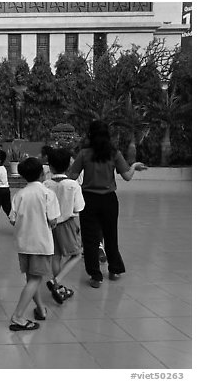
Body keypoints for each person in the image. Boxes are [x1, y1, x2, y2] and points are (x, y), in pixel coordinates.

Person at [68, 121, 147, 288]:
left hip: (88, 200)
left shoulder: (84, 154)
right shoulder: (114, 154)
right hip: (109, 200)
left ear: (90, 135)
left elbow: (72, 177)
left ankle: (96, 276)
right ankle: (114, 269)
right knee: (111, 235)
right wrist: (133, 166)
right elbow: (127, 176)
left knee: (90, 239)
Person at [8, 157, 60, 331]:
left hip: (23, 244)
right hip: (41, 243)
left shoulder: (19, 195)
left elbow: (12, 219)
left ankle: (40, 309)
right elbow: (53, 220)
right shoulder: (47, 194)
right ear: (42, 173)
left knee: (31, 278)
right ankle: (18, 316)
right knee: (36, 279)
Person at [43, 148, 85, 304]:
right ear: (69, 166)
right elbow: (78, 208)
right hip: (66, 224)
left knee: (56, 256)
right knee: (77, 254)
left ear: (50, 166)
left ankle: (59, 287)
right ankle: (56, 281)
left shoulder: (46, 184)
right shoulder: (73, 185)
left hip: (50, 224)